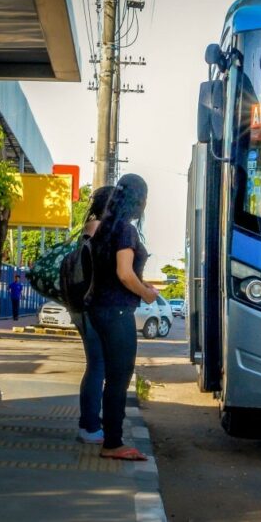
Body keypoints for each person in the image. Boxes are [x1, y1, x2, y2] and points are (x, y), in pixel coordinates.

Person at [86, 174, 159, 461]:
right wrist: (146, 293)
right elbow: (124, 273)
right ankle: (113, 443)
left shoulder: (104, 228)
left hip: (99, 308)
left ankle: (111, 438)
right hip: (116, 310)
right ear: (138, 200)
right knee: (119, 377)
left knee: (110, 375)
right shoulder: (126, 231)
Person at [70, 186, 114, 445]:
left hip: (86, 306)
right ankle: (89, 425)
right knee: (97, 365)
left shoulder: (90, 226)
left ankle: (90, 424)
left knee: (97, 365)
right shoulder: (97, 228)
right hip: (92, 307)